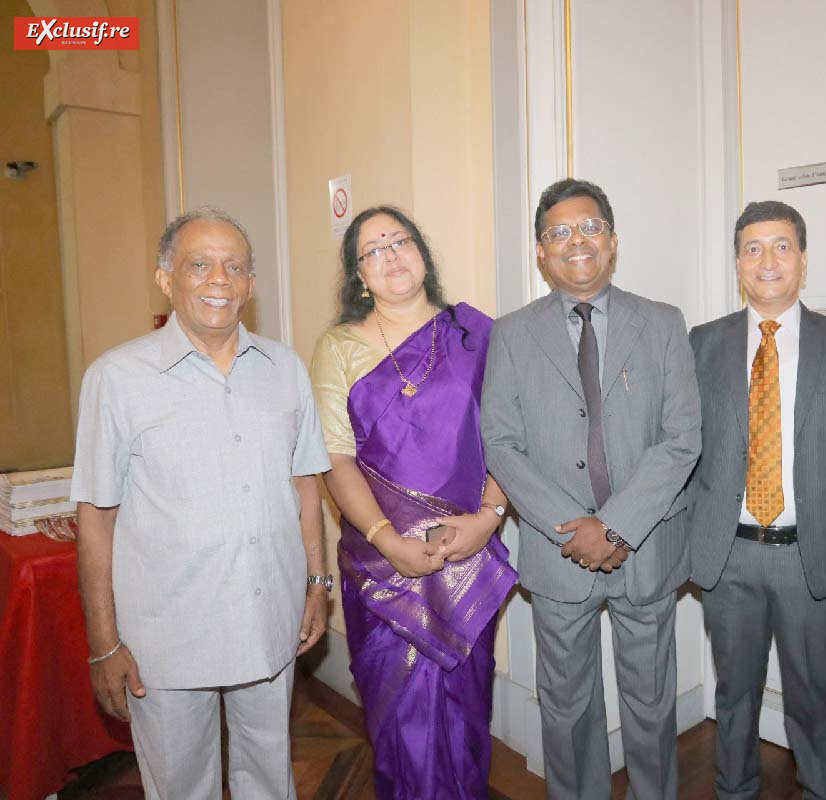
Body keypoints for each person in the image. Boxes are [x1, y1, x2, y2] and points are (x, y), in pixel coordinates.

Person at [71, 208, 332, 799]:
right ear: (166, 278)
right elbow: (96, 519)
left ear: (250, 284)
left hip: (271, 616)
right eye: (200, 264)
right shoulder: (115, 378)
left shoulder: (284, 369)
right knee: (181, 784)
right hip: (167, 635)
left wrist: (317, 581)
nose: (219, 279)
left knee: (269, 773)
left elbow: (304, 485)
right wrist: (104, 644)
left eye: (234, 266)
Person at [481, 178, 702, 799]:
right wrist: (575, 528)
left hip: (647, 546)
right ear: (540, 251)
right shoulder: (512, 333)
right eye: (558, 233)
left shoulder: (661, 322)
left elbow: (683, 437)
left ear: (612, 241)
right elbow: (500, 443)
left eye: (589, 228)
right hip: (559, 555)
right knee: (566, 708)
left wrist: (616, 526)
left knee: (652, 705)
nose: (575, 242)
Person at [310, 205, 517, 798]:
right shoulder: (339, 347)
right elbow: (336, 457)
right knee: (400, 723)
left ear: (421, 252)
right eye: (372, 250)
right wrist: (386, 539)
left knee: (466, 712)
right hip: (380, 560)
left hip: (469, 553)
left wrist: (488, 516)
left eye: (399, 240)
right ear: (358, 276)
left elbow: (508, 437)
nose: (390, 255)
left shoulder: (476, 335)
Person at [688, 200, 826, 800]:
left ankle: (823, 790)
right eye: (753, 248)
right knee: (733, 696)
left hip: (810, 553)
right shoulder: (703, 343)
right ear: (738, 262)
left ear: (804, 259)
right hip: (727, 554)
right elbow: (682, 450)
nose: (768, 260)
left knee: (815, 695)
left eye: (782, 246)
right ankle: (733, 790)